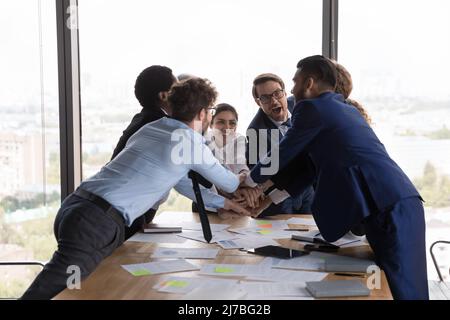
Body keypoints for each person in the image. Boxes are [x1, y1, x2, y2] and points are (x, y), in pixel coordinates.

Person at [21, 77, 250, 300]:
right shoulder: (189, 142)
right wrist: (242, 176)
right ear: (202, 113)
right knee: (54, 291)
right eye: (210, 111)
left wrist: (222, 203)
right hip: (95, 222)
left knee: (89, 288)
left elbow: (180, 181)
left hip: (77, 207)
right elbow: (228, 183)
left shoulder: (152, 128)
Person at [246, 55, 428, 300]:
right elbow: (306, 168)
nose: (292, 89)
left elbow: (282, 153)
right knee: (393, 286)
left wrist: (247, 182)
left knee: (406, 292)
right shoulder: (338, 108)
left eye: (295, 81)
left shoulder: (313, 109)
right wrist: (268, 199)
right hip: (385, 206)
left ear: (309, 82)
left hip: (389, 205)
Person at [110, 65, 177, 239]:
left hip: (128, 211)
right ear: (163, 96)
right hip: (125, 214)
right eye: (177, 89)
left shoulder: (144, 117)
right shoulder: (161, 125)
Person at [245, 73, 314, 217]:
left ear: (285, 92)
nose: (274, 101)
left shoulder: (301, 106)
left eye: (277, 93)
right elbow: (264, 171)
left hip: (306, 186)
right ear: (258, 102)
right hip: (278, 199)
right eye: (265, 98)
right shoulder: (255, 131)